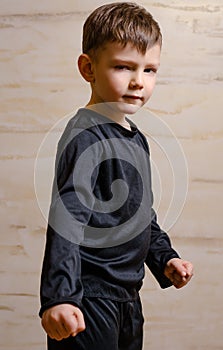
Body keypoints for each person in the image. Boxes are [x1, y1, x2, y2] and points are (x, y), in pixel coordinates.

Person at [39, 2, 193, 350]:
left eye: (150, 70)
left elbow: (140, 214)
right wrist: (59, 297)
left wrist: (164, 256)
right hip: (88, 302)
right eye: (123, 67)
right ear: (88, 68)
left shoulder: (135, 137)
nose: (139, 81)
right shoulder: (86, 137)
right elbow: (67, 221)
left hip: (127, 298)